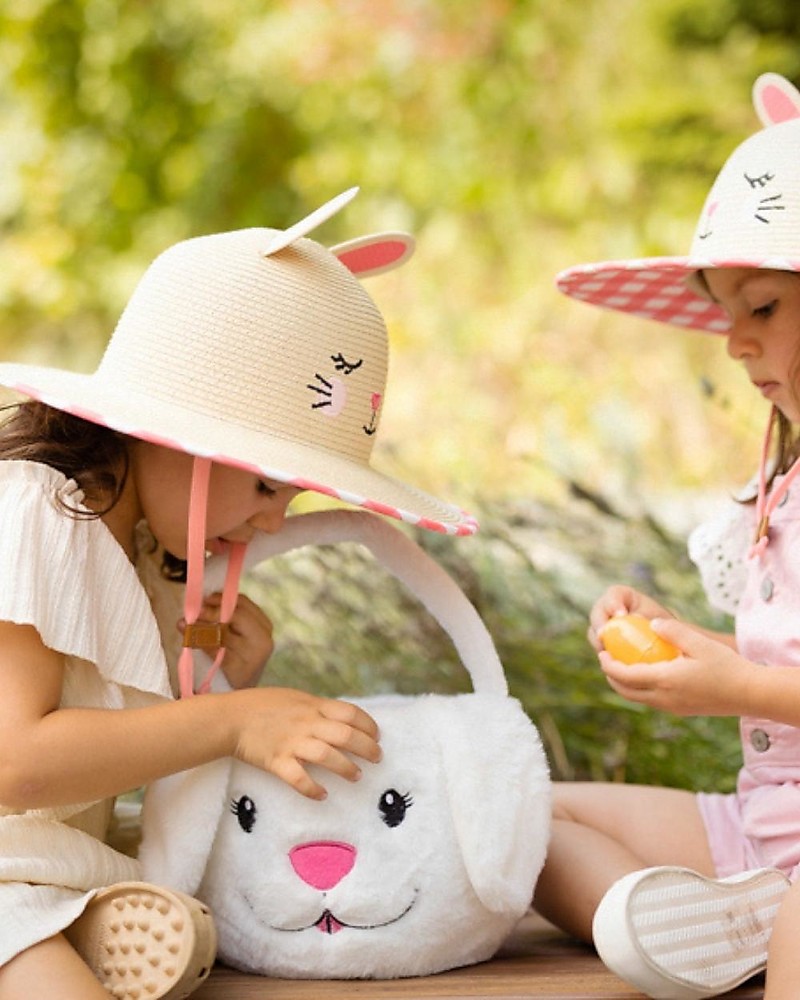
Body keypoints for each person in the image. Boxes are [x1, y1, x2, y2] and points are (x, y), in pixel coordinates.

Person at [0, 186, 476, 1000]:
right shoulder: (42, 510)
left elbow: (115, 757)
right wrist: (233, 720)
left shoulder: (142, 550)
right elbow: (16, 762)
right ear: (177, 433)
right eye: (264, 484)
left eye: (289, 499)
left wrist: (227, 686)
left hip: (52, 871)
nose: (268, 522)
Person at [533, 72, 800, 1000]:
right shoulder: (785, 485)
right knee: (528, 818)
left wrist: (734, 686)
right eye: (727, 316)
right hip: (760, 825)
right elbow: (781, 663)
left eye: (762, 307)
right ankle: (715, 926)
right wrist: (699, 649)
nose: (734, 344)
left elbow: (766, 686)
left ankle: (771, 923)